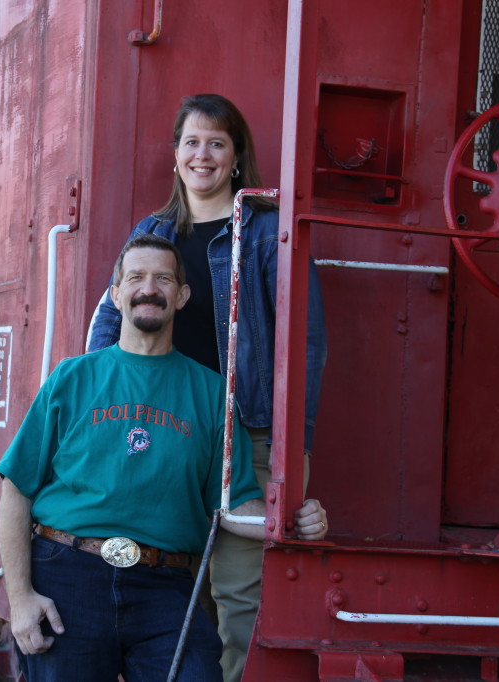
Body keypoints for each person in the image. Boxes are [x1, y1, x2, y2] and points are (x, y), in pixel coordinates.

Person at [0, 235, 325, 681]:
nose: (149, 288)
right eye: (136, 277)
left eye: (163, 278)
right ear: (116, 294)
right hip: (68, 576)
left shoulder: (211, 393)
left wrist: (291, 519)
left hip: (163, 585)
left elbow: (232, 505)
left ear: (182, 295)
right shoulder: (72, 378)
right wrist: (20, 600)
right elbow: (16, 489)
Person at [87, 94, 328, 681]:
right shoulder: (152, 232)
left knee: (241, 595)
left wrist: (295, 450)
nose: (203, 155)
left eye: (217, 143)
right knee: (171, 585)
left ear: (236, 157)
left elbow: (308, 344)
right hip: (165, 430)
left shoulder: (269, 233)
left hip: (245, 435)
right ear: (175, 156)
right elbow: (108, 323)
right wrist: (103, 410)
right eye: (192, 142)